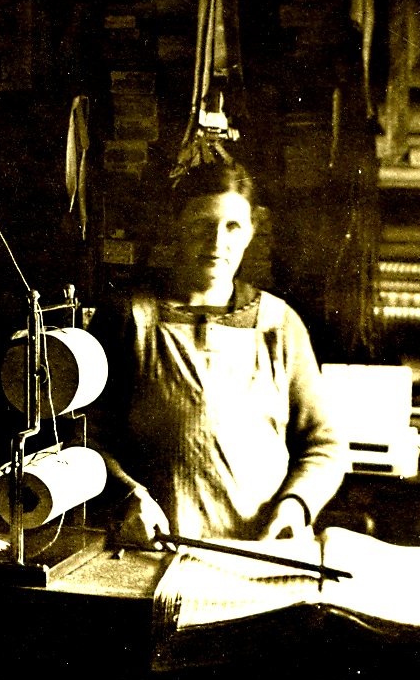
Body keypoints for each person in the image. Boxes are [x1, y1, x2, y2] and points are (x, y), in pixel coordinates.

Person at [89, 160, 346, 544]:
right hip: (150, 550)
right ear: (175, 226)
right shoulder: (130, 318)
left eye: (232, 226)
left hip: (260, 552)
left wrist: (296, 505)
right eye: (201, 225)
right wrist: (127, 496)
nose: (216, 242)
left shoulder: (279, 324)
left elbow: (325, 445)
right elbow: (84, 438)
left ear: (250, 233)